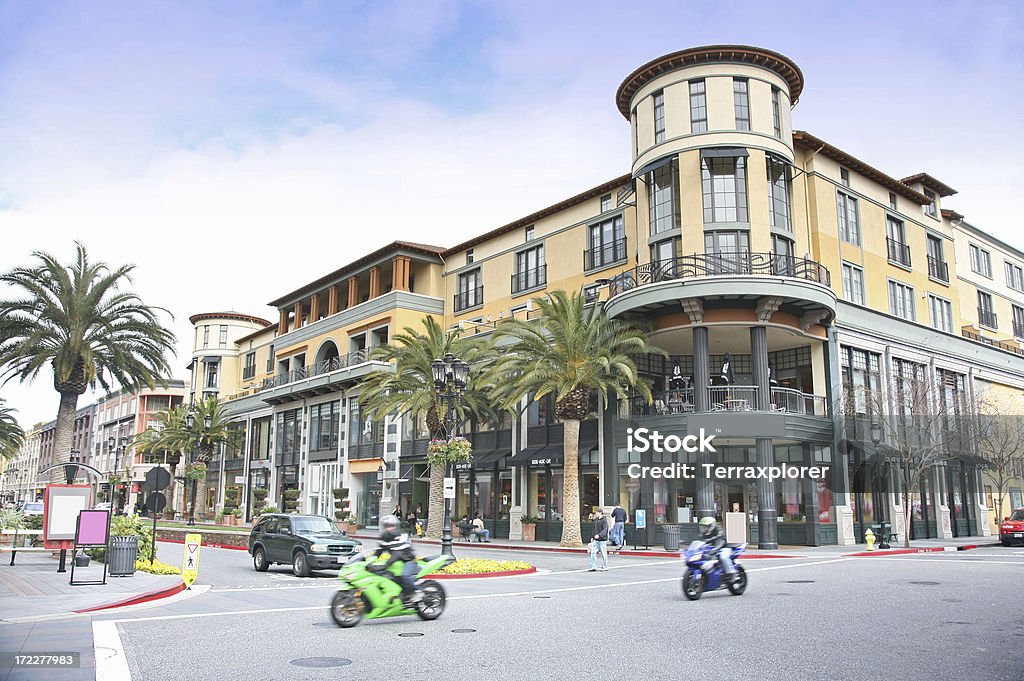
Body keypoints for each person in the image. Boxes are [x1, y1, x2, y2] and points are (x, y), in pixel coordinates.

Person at [369, 514, 422, 603]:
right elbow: (378, 551)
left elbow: (397, 554)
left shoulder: (400, 537)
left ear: (395, 526)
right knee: (386, 575)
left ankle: (416, 592)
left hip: (408, 561)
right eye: (386, 526)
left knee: (404, 576)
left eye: (391, 526)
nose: (389, 528)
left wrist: (385, 565)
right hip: (397, 562)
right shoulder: (384, 537)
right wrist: (369, 561)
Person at [693, 516, 736, 582]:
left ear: (711, 526)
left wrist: (715, 549)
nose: (704, 528)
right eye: (703, 526)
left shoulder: (719, 531)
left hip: (724, 547)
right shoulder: (703, 534)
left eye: (706, 526)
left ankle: (731, 573)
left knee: (723, 557)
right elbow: (699, 542)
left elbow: (721, 542)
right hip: (712, 549)